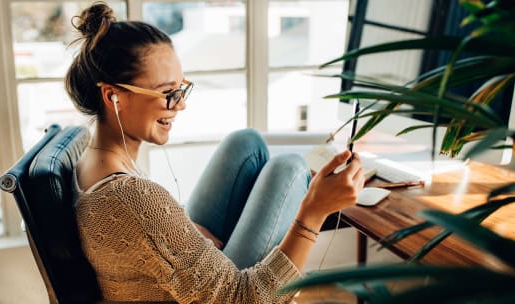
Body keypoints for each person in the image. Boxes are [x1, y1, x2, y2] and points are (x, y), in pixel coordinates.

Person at [67, 2, 364, 303]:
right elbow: (243, 298)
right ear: (112, 96)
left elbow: (139, 236)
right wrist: (313, 212)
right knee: (290, 168)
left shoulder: (94, 163)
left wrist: (177, 231)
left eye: (181, 88)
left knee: (246, 142)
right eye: (167, 93)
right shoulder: (133, 198)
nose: (180, 104)